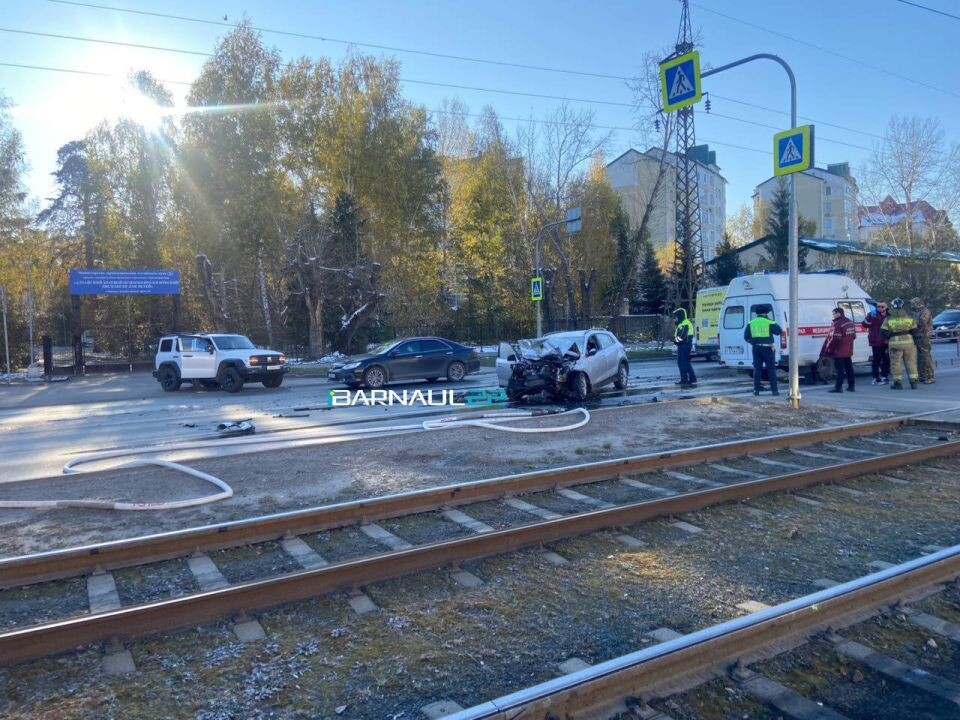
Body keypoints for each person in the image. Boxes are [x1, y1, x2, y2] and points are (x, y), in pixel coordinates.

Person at [743, 305, 782, 396]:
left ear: (757, 314)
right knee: (771, 369)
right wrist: (771, 321)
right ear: (766, 313)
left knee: (757, 369)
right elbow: (779, 331)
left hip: (756, 348)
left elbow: (746, 337)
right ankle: (774, 391)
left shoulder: (751, 322)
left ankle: (756, 390)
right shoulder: (769, 322)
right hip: (768, 348)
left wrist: (753, 342)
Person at [881, 297, 919, 390]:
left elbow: (883, 331)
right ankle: (914, 382)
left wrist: (889, 337)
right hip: (909, 344)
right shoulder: (909, 317)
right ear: (902, 306)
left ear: (892, 306)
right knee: (911, 363)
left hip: (895, 344)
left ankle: (898, 383)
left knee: (896, 364)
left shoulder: (888, 318)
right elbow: (915, 331)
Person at [823, 306, 857, 393]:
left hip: (839, 351)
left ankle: (838, 387)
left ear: (839, 314)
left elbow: (835, 338)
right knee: (849, 369)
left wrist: (830, 348)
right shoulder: (850, 322)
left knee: (839, 370)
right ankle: (851, 386)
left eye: (834, 314)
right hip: (848, 350)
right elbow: (854, 336)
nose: (833, 315)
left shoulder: (837, 324)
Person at [862, 301, 890, 385]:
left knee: (886, 360)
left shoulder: (890, 316)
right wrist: (870, 318)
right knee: (876, 360)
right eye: (878, 306)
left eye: (882, 306)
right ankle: (875, 377)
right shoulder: (872, 314)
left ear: (886, 307)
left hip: (886, 341)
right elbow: (864, 324)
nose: (880, 308)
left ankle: (884, 376)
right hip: (876, 341)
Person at [911, 297, 935, 384]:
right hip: (917, 336)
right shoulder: (916, 312)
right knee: (920, 358)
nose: (912, 305)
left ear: (917, 303)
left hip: (924, 337)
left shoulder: (925, 311)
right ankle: (922, 376)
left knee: (926, 357)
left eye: (913, 303)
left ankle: (930, 376)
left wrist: (910, 322)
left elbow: (921, 322)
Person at [673, 307, 697, 387]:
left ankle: (684, 380)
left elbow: (681, 336)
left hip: (684, 345)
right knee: (686, 362)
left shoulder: (684, 324)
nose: (674, 319)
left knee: (682, 363)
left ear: (679, 316)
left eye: (675, 317)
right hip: (685, 345)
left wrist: (675, 341)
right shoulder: (684, 323)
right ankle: (692, 379)